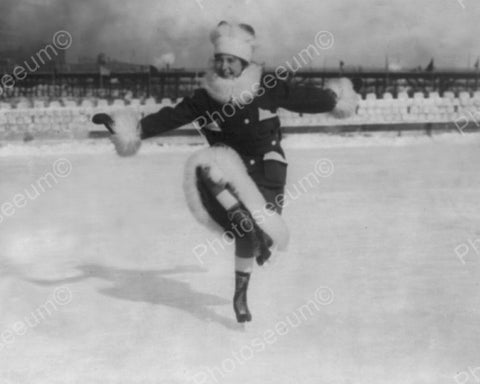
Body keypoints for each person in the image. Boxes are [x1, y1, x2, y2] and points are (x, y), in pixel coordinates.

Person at [93, 21, 358, 323]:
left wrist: (337, 99)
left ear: (243, 61)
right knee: (205, 164)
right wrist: (127, 127)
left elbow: (304, 97)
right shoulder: (206, 97)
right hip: (229, 170)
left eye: (230, 60)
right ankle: (240, 247)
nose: (224, 66)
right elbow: (170, 117)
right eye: (219, 59)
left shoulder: (266, 85)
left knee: (262, 235)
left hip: (266, 169)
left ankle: (245, 266)